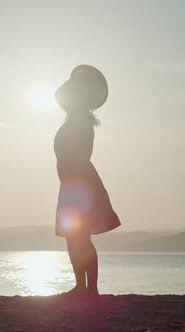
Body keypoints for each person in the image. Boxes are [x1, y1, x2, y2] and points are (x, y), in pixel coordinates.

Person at [53, 65, 121, 298]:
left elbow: (58, 94)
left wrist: (77, 83)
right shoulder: (75, 118)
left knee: (80, 237)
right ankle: (81, 287)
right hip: (72, 185)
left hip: (81, 184)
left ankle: (90, 289)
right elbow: (59, 95)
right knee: (74, 237)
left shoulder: (81, 120)